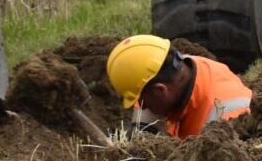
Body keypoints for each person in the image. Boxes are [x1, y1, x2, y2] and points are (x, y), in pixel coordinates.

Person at [105, 34, 252, 138]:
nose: (141, 107)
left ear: (160, 90)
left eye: (143, 102)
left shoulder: (228, 119)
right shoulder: (177, 68)